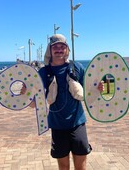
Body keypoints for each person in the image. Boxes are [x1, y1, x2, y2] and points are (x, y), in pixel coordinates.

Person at [22, 34, 104, 170]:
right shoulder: (43, 72)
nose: (59, 49)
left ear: (67, 50)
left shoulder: (77, 67)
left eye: (62, 46)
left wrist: (98, 89)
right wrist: (26, 95)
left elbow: (90, 94)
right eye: (55, 47)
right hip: (57, 126)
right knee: (63, 166)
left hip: (77, 123)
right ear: (50, 50)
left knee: (81, 165)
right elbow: (34, 104)